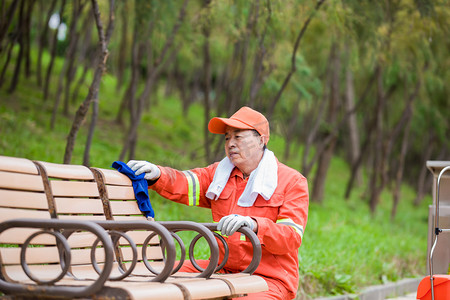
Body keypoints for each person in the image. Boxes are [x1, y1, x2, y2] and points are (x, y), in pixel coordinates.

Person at [127, 106, 309, 300]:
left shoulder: (292, 181)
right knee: (157, 274)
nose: (231, 143)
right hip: (222, 269)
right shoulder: (220, 174)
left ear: (261, 140)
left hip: (270, 278)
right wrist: (158, 174)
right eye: (227, 138)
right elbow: (187, 183)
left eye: (238, 137)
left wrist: (255, 225)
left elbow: (290, 237)